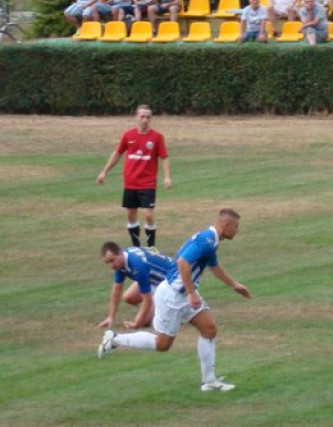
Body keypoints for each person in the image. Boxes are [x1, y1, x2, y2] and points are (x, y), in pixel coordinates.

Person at [97, 208, 252, 393]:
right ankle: (115, 339)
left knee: (209, 329)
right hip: (173, 296)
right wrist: (191, 293)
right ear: (226, 225)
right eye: (236, 226)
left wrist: (234, 285)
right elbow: (182, 263)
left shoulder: (211, 241)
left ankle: (209, 381)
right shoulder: (206, 240)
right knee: (162, 345)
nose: (237, 230)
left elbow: (214, 265)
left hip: (182, 294)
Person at [97, 105, 172, 248]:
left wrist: (167, 176)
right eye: (142, 117)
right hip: (130, 183)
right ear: (136, 117)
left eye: (148, 117)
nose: (145, 120)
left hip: (147, 183)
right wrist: (104, 172)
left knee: (148, 214)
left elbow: (164, 157)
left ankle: (151, 248)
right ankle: (136, 248)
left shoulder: (157, 137)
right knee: (131, 215)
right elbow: (117, 154)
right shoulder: (128, 136)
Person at [97, 241, 175, 330]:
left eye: (112, 260)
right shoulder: (121, 261)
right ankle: (156, 307)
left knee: (144, 322)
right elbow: (117, 290)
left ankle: (166, 309)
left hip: (170, 283)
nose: (111, 265)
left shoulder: (137, 266)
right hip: (154, 280)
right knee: (128, 297)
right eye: (107, 262)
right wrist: (111, 317)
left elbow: (147, 300)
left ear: (120, 253)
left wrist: (137, 323)